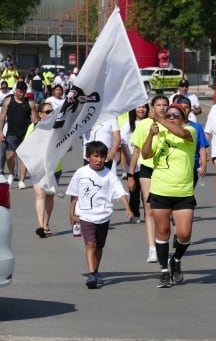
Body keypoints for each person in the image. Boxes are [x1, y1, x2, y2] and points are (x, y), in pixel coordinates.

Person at [141, 103, 196, 288]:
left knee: (184, 234)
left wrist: (160, 118)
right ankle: (164, 270)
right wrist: (150, 134)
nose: (171, 117)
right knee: (163, 232)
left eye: (175, 115)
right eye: (169, 114)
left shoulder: (190, 131)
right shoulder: (160, 133)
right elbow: (146, 154)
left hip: (183, 192)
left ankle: (177, 259)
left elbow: (182, 135)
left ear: (182, 118)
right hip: (160, 190)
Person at [67, 141, 133, 289]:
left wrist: (127, 208)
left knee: (99, 246)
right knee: (90, 244)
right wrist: (71, 214)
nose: (99, 160)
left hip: (103, 215)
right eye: (95, 156)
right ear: (87, 157)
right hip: (85, 215)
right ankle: (91, 275)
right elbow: (74, 195)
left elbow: (120, 192)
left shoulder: (109, 175)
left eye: (102, 157)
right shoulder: (81, 173)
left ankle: (95, 271)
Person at [129, 95, 169, 263]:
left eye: (165, 105)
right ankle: (152, 247)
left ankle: (163, 242)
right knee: (149, 208)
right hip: (147, 169)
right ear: (152, 107)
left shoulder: (172, 125)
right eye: (158, 105)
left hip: (167, 170)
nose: (162, 108)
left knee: (166, 210)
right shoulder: (144, 124)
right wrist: (131, 174)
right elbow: (137, 152)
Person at [26, 103, 62, 238]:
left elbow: (67, 147)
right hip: (38, 167)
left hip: (55, 168)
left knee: (49, 196)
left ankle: (46, 224)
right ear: (40, 114)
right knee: (40, 195)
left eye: (52, 111)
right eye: (47, 111)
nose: (50, 113)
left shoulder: (58, 128)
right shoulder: (34, 127)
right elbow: (26, 146)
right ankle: (41, 225)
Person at [0, 81, 37, 189]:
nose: (21, 94)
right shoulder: (8, 101)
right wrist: (0, 131)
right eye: (20, 92)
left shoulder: (30, 102)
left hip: (26, 133)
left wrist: (35, 133)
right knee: (9, 156)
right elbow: (2, 117)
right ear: (15, 90)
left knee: (24, 157)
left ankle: (21, 180)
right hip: (11, 132)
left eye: (24, 92)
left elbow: (34, 119)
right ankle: (11, 173)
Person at [172, 95, 209, 187]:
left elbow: (202, 148)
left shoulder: (196, 127)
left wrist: (203, 165)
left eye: (187, 107)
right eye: (182, 107)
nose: (185, 110)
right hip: (174, 167)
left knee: (187, 194)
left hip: (192, 166)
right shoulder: (170, 126)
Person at [121, 105, 149, 224]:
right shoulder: (128, 124)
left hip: (147, 162)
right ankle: (135, 214)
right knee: (135, 191)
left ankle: (148, 214)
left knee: (147, 191)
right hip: (133, 163)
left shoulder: (150, 123)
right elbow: (123, 143)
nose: (141, 110)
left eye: (144, 107)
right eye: (138, 108)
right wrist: (128, 158)